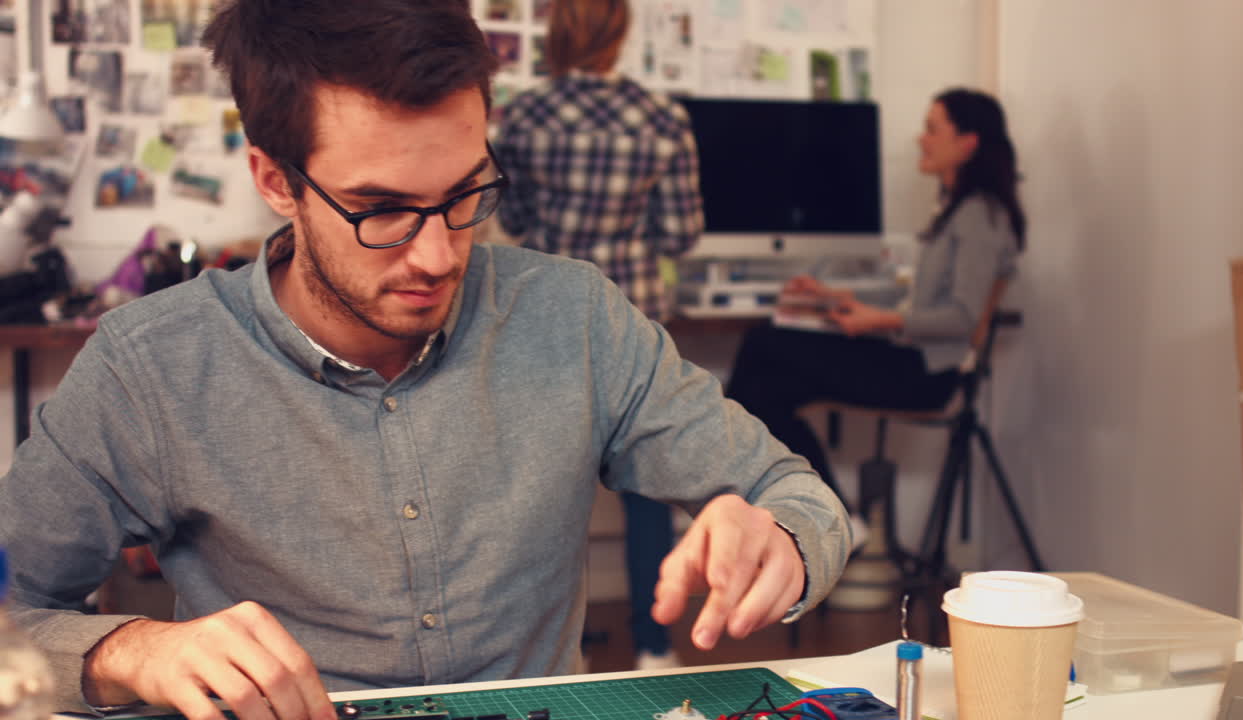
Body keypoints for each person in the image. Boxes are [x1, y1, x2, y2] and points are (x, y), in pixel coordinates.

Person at [0, 2, 852, 720]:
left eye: (465, 195)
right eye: (383, 211)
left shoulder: (574, 316)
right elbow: (10, 612)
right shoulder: (152, 367)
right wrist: (130, 648)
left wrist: (779, 537)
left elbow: (802, 497)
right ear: (274, 180)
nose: (440, 255)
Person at [492, 0, 703, 670]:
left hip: (542, 317)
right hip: (632, 317)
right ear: (619, 33)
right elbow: (680, 234)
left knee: (546, 491)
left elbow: (515, 218)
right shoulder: (663, 117)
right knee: (647, 491)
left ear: (557, 33)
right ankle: (654, 646)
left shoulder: (524, 114)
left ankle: (544, 651)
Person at [725, 88, 1026, 512]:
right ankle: (824, 515)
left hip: (927, 375)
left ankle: (803, 510)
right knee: (765, 392)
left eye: (932, 129)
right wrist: (836, 297)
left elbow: (960, 317)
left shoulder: (979, 216)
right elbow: (918, 295)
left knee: (764, 347)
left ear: (967, 143)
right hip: (911, 359)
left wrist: (877, 321)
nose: (922, 139)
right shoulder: (960, 211)